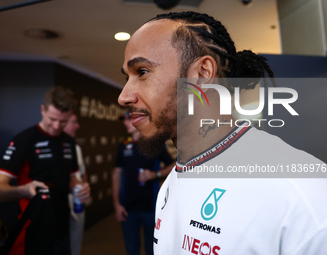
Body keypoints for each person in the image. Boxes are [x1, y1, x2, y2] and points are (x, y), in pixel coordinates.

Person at [118, 11, 327, 255]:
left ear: (203, 73)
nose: (123, 96)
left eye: (142, 72)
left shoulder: (302, 193)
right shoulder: (175, 177)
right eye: (127, 77)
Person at [0, 86, 90, 255]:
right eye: (52, 119)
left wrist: (81, 188)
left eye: (63, 121)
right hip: (32, 228)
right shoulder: (24, 140)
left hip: (61, 227)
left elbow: (72, 180)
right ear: (43, 110)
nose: (57, 126)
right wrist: (24, 190)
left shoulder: (69, 142)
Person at [112, 112, 174, 255]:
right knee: (132, 249)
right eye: (124, 120)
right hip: (128, 208)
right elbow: (117, 174)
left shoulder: (154, 144)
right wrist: (116, 204)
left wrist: (155, 174)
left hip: (151, 208)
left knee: (152, 249)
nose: (125, 123)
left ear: (137, 120)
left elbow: (173, 165)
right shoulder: (124, 146)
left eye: (128, 120)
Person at [63, 114, 87, 255]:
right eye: (74, 122)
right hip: (59, 207)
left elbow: (81, 173)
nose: (77, 126)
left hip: (76, 205)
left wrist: (83, 188)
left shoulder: (75, 147)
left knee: (75, 246)